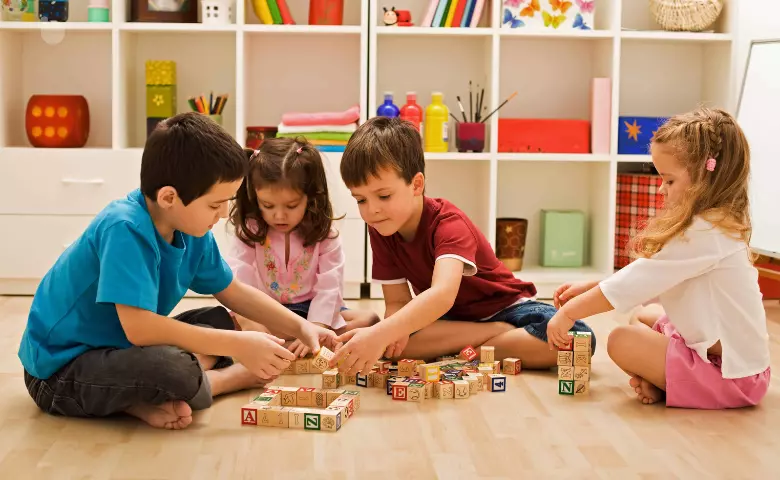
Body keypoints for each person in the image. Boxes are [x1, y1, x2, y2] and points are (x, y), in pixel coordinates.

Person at [17, 113, 338, 430]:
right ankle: (217, 381)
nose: (224, 213)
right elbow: (140, 330)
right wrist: (238, 348)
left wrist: (300, 326)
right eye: (215, 205)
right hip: (60, 371)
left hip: (121, 349)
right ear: (169, 197)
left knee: (223, 320)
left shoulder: (191, 228)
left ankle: (143, 398)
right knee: (175, 370)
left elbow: (233, 292)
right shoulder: (124, 228)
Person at [328, 116, 596, 374]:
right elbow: (397, 301)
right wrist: (391, 332)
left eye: (383, 195)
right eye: (360, 200)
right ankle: (492, 338)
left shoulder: (449, 223)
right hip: (450, 321)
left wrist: (383, 333)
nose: (371, 210)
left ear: (416, 184)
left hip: (507, 309)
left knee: (579, 340)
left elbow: (442, 295)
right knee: (397, 344)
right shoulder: (382, 228)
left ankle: (480, 344)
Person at [547, 106, 771, 409]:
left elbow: (638, 281)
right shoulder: (713, 224)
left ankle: (670, 383)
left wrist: (570, 313)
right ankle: (666, 381)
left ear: (707, 177)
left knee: (621, 340)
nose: (661, 188)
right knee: (643, 316)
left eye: (669, 180)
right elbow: (649, 275)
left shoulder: (704, 234)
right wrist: (592, 287)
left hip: (733, 376)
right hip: (734, 358)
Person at [226, 137, 379, 357]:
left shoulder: (325, 234)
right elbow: (238, 278)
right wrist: (251, 323)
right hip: (269, 312)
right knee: (228, 323)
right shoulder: (252, 229)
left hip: (311, 312)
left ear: (310, 197)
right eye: (267, 205)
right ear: (254, 197)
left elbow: (329, 285)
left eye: (292, 205)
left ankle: (295, 343)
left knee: (370, 320)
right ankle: (287, 343)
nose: (279, 215)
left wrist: (316, 327)